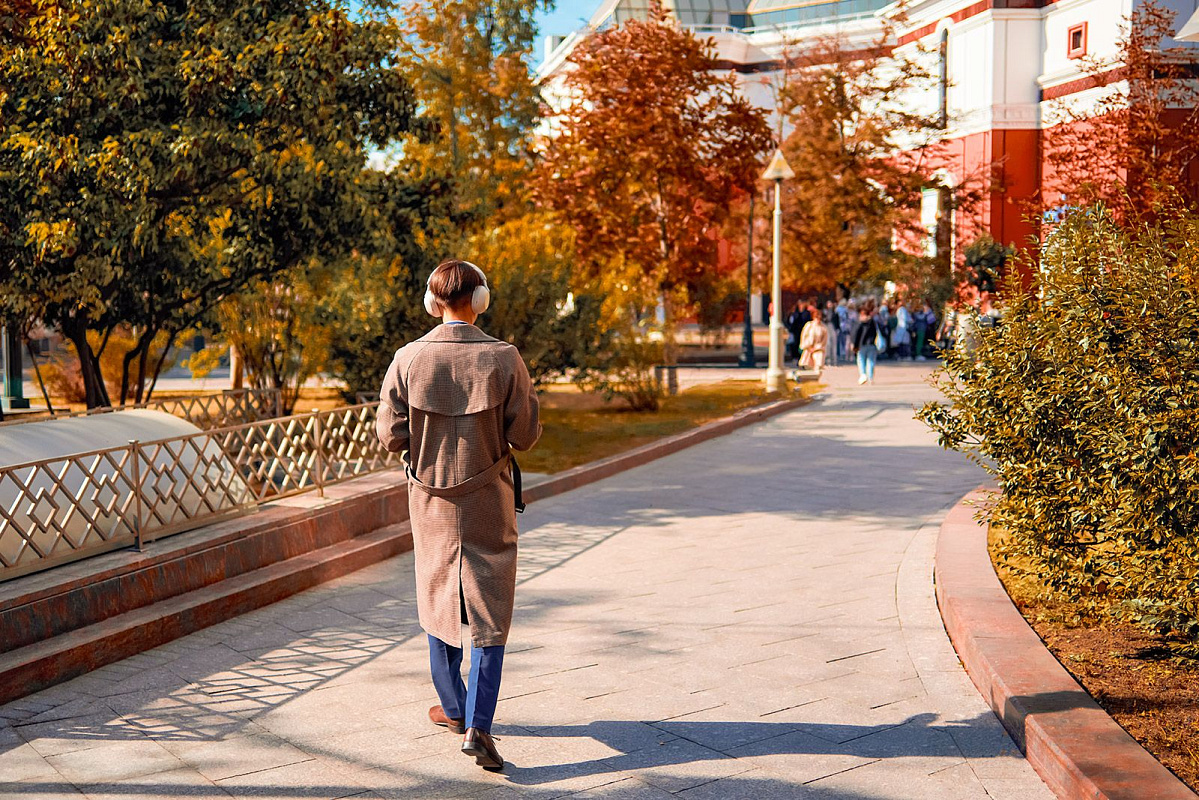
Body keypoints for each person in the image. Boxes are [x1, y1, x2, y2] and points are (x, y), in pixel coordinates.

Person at [376, 259, 542, 772]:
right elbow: (526, 436)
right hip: (487, 500)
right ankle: (477, 724)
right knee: (491, 611)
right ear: (481, 299)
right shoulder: (504, 357)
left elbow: (390, 436)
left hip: (430, 504)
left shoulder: (406, 359)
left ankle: (453, 707)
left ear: (432, 303)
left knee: (437, 594)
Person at [850, 300, 880, 385]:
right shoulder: (872, 322)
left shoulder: (859, 323)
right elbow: (875, 332)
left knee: (861, 361)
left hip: (861, 345)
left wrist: (855, 345)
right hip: (871, 344)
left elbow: (856, 335)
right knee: (871, 362)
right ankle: (870, 378)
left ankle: (863, 375)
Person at [799, 305, 829, 373]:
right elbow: (803, 336)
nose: (818, 319)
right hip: (808, 349)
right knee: (808, 367)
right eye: (816, 317)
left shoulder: (823, 328)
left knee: (818, 367)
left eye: (819, 317)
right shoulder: (809, 325)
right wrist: (808, 347)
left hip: (818, 350)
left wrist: (817, 348)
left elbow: (824, 341)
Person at [823, 300, 839, 366]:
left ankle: (834, 360)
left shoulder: (835, 313)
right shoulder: (824, 312)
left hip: (833, 328)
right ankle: (828, 360)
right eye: (828, 304)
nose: (830, 305)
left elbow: (837, 322)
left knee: (834, 345)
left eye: (830, 304)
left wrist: (837, 329)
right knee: (828, 344)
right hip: (826, 328)